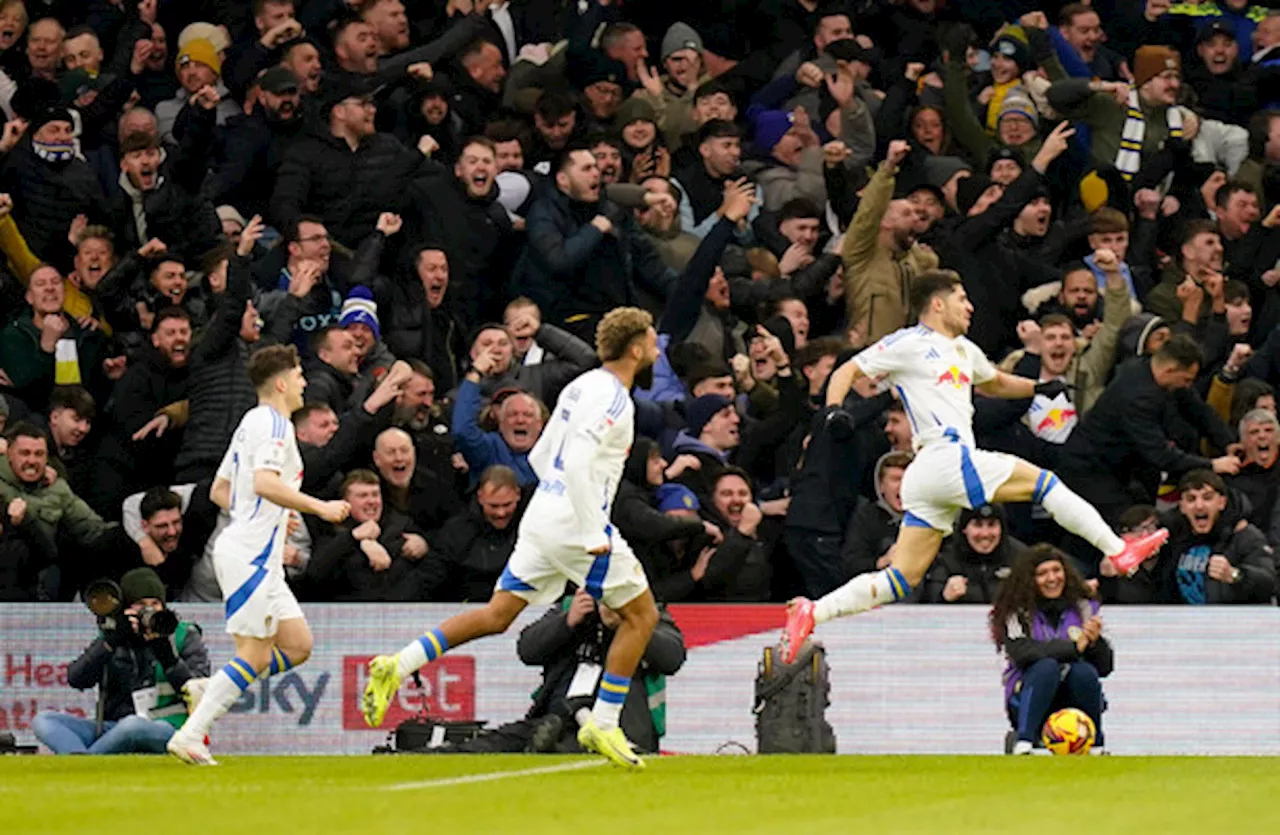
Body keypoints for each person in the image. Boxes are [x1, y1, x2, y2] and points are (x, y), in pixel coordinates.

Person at [781, 271, 1168, 662]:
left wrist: (1038, 388)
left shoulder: (964, 350)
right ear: (937, 304)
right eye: (961, 298)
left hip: (929, 474)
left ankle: (812, 612)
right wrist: (832, 410)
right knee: (1046, 484)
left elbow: (995, 382)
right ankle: (1118, 550)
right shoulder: (910, 342)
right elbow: (848, 370)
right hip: (946, 455)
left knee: (901, 579)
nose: (970, 306)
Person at [362, 307, 661, 770]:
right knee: (642, 616)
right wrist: (588, 529)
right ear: (636, 348)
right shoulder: (615, 399)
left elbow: (543, 454)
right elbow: (579, 461)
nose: (658, 347)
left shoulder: (581, 385)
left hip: (544, 514)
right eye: (652, 340)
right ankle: (602, 721)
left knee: (498, 614)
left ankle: (396, 665)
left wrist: (555, 500)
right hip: (576, 524)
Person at [165, 344, 351, 765]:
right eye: (300, 375)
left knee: (299, 645)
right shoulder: (275, 426)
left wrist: (262, 512)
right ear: (283, 382)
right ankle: (191, 735)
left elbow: (220, 491)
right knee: (255, 652)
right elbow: (266, 482)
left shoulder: (251, 421)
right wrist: (318, 507)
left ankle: (209, 688)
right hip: (250, 555)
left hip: (254, 553)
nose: (305, 382)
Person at [32, 567, 211, 754]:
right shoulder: (115, 634)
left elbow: (198, 689)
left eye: (155, 604)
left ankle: (85, 764)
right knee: (44, 720)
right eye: (140, 604)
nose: (148, 611)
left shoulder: (182, 634)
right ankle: (80, 757)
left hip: (169, 727)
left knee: (132, 726)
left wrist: (167, 656)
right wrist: (110, 642)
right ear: (126, 608)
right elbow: (76, 679)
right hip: (114, 727)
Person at [990, 545, 1112, 755]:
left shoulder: (1083, 607)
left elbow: (1105, 667)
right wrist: (1074, 647)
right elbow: (1022, 653)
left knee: (1083, 672)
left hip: (1071, 700)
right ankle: (1025, 741)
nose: (1052, 578)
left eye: (1056, 570)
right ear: (1029, 579)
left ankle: (1096, 743)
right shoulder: (1016, 609)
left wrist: (1095, 642)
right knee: (1046, 667)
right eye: (1042, 574)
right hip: (1029, 694)